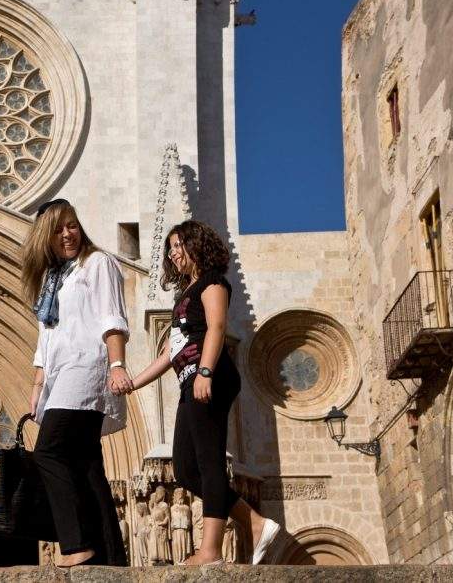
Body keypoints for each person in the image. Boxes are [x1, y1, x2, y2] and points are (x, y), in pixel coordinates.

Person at [123, 220, 281, 565]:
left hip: (209, 374)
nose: (172, 253)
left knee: (208, 461)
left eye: (178, 245)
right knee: (184, 468)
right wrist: (133, 384)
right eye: (170, 248)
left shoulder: (213, 283)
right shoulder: (185, 293)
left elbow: (217, 327)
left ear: (197, 246)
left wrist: (205, 371)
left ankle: (210, 551)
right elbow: (169, 352)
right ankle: (253, 523)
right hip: (189, 379)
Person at [24, 199, 131, 567]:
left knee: (49, 452)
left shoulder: (97, 263)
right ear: (44, 238)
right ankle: (110, 556)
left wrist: (117, 364)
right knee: (87, 464)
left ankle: (75, 545)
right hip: (61, 377)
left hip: (87, 369)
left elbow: (111, 316)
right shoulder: (53, 280)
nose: (67, 234)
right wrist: (37, 387)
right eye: (57, 229)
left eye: (71, 225)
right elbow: (47, 340)